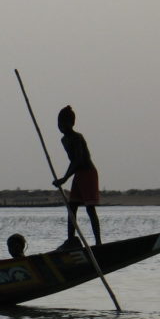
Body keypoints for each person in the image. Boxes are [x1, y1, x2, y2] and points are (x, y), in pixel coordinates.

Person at [53, 105, 101, 250]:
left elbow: (78, 160)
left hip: (88, 173)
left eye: (64, 124)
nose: (61, 127)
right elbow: (72, 161)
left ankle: (98, 242)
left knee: (90, 209)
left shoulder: (77, 138)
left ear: (72, 123)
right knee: (72, 207)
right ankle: (70, 240)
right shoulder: (64, 140)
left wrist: (64, 178)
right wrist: (66, 177)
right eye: (59, 124)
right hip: (78, 174)